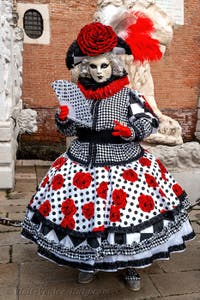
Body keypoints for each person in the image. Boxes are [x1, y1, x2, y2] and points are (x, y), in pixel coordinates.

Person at [21, 19, 195, 292]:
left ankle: (130, 265)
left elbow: (148, 122)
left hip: (124, 164)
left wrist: (129, 130)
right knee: (84, 217)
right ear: (85, 67)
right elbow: (67, 127)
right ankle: (88, 262)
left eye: (104, 65)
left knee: (126, 218)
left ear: (112, 64)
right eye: (93, 66)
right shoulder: (76, 94)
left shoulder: (128, 95)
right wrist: (64, 118)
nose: (100, 72)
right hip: (82, 163)